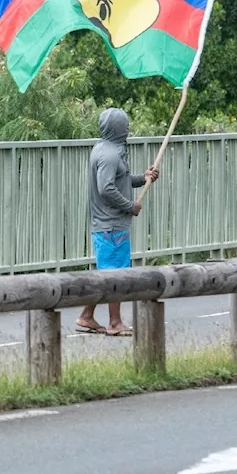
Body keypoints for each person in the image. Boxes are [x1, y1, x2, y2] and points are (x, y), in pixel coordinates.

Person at [75, 108, 158, 337]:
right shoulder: (110, 155)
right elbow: (106, 189)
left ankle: (86, 316)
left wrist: (143, 179)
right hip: (111, 225)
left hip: (109, 224)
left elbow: (119, 181)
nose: (128, 130)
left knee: (106, 273)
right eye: (125, 126)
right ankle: (115, 323)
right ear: (118, 128)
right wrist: (130, 206)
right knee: (116, 274)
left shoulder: (104, 149)